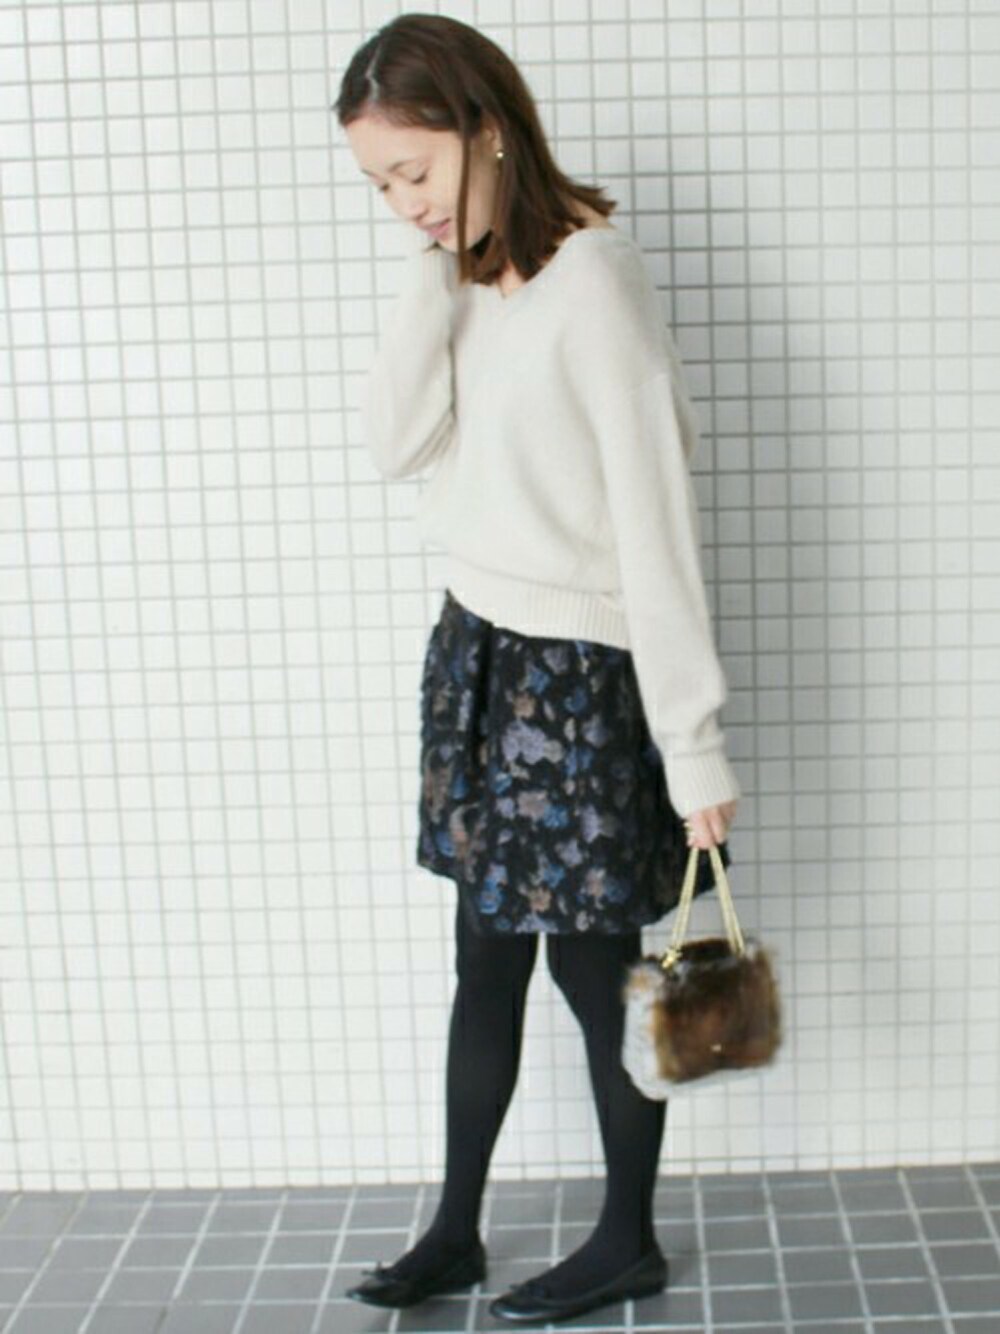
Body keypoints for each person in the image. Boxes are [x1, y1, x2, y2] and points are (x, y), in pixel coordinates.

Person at [334, 13, 741, 1326]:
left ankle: (627, 1239)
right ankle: (454, 1232)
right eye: (380, 186)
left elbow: (655, 519)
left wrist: (692, 741)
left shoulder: (595, 281)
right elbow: (395, 440)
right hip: (476, 656)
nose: (404, 203)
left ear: (486, 127)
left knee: (594, 969)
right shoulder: (465, 278)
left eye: (414, 172)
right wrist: (435, 266)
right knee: (487, 959)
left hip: (574, 680)